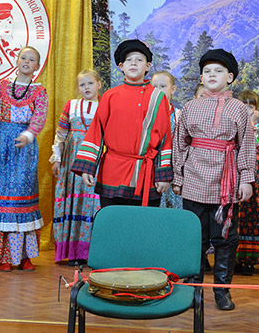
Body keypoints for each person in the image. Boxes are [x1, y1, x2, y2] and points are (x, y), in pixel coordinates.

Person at [173, 49, 255, 311]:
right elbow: (179, 144)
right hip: (194, 180)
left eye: (218, 71)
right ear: (201, 77)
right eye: (207, 71)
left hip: (225, 182)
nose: (212, 75)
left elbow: (246, 145)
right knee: (193, 238)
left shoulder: (238, 109)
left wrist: (246, 179)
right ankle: (193, 290)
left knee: (225, 239)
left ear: (229, 77)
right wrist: (178, 176)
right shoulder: (190, 107)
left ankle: (222, 291)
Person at [71, 39, 172, 208]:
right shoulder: (110, 96)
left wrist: (163, 174)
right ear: (121, 66)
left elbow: (165, 138)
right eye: (128, 60)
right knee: (113, 221)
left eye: (139, 59)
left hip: (145, 175)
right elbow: (96, 132)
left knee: (144, 222)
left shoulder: (157, 97)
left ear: (148, 66)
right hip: (112, 172)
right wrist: (87, 166)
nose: (133, 63)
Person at [0, 46, 48, 272]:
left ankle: (24, 256)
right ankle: (3, 256)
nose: (27, 61)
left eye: (32, 59)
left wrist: (28, 135)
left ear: (37, 66)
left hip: (24, 150)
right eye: (23, 57)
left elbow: (39, 117)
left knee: (21, 198)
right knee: (1, 198)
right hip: (0, 147)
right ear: (16, 61)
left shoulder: (39, 92)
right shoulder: (2, 87)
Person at [51, 69, 102, 265]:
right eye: (82, 84)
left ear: (99, 84)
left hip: (95, 161)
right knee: (74, 201)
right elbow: (61, 135)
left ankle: (91, 252)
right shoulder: (71, 106)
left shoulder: (105, 106)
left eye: (90, 83)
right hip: (72, 162)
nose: (86, 87)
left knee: (93, 202)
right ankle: (73, 251)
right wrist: (57, 158)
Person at [235, 90, 259, 275]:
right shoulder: (234, 127)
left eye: (251, 107)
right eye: (244, 107)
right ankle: (235, 257)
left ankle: (250, 260)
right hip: (238, 178)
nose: (247, 110)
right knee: (237, 218)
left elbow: (258, 147)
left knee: (254, 218)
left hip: (257, 180)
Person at [152, 71, 183, 209]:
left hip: (173, 169)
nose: (158, 90)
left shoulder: (179, 115)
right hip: (151, 169)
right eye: (155, 87)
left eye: (163, 86)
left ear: (173, 89)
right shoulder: (146, 115)